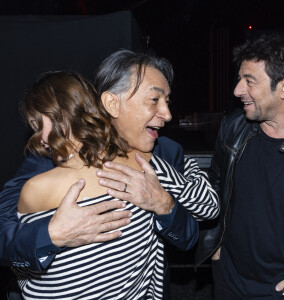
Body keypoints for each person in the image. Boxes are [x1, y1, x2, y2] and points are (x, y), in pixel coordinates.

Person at [12, 55, 218, 298]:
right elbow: (13, 243)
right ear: (110, 103)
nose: (168, 114)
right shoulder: (39, 169)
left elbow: (195, 227)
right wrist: (50, 236)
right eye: (154, 99)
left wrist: (164, 203)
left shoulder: (158, 155)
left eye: (166, 100)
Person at [195, 33, 284, 300]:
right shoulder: (233, 127)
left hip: (280, 289)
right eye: (240, 78)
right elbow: (216, 185)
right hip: (228, 277)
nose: (237, 90)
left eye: (249, 81)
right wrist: (216, 247)